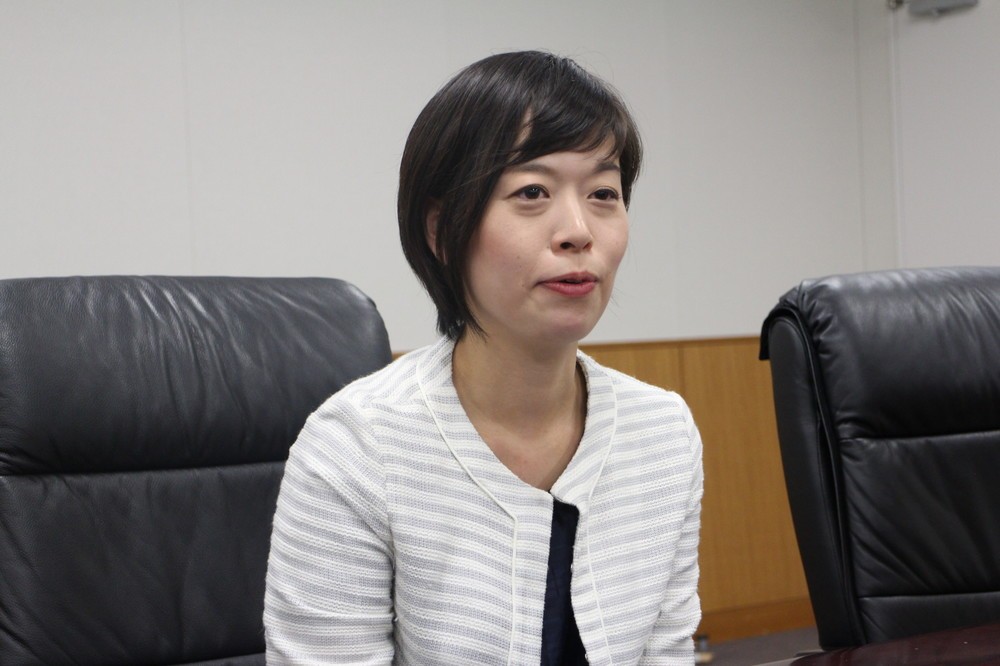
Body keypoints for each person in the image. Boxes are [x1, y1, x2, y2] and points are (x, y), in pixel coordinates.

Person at [264, 50, 703, 665]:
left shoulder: (663, 434)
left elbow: (666, 653)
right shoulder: (357, 448)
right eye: (532, 192)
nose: (579, 231)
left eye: (603, 193)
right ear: (442, 231)